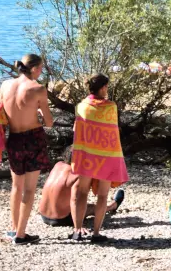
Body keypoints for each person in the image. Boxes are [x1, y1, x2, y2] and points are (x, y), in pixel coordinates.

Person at [0, 53, 53, 245]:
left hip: (13, 138)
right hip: (32, 138)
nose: (41, 72)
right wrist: (37, 111)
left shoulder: (5, 86)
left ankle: (14, 229)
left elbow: (0, 111)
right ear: (34, 69)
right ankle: (21, 235)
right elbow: (49, 122)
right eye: (40, 68)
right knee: (29, 189)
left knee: (16, 186)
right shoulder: (38, 89)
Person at [69, 73, 129, 243]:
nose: (107, 90)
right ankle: (96, 233)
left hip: (86, 155)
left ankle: (77, 231)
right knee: (102, 196)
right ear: (102, 88)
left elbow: (77, 130)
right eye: (106, 87)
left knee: (81, 193)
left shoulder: (81, 106)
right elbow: (112, 132)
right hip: (106, 156)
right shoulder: (111, 107)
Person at [38, 146, 125, 229]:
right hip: (62, 219)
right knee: (91, 207)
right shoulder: (78, 175)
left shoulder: (58, 165)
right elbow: (75, 200)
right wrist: (79, 227)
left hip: (43, 215)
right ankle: (113, 205)